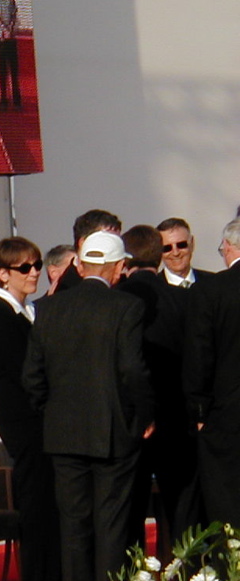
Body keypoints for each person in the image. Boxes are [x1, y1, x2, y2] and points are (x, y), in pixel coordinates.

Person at [23, 231, 154, 581]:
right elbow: (133, 369)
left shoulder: (49, 308)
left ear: (80, 266)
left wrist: (54, 414)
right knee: (112, 526)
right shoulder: (126, 306)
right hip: (114, 434)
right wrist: (144, 415)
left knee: (74, 527)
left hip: (64, 436)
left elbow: (32, 377)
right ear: (119, 268)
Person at [0, 237, 63, 581]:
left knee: (49, 508)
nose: (34, 273)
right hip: (26, 424)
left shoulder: (28, 311)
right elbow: (27, 372)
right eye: (25, 268)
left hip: (40, 423)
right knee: (38, 508)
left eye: (37, 265)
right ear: (3, 274)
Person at [116, 225, 199, 556]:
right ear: (158, 256)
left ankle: (135, 578)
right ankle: (188, 575)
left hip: (131, 421)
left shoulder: (117, 300)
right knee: (183, 508)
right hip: (177, 418)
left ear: (126, 259)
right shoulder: (182, 300)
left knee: (130, 509)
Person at [183, 218, 240, 527]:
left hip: (225, 413)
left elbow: (199, 355)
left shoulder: (211, 290)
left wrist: (199, 409)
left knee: (227, 498)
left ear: (229, 247)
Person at [156, 217, 214, 288]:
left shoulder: (214, 283)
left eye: (181, 245)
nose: (175, 253)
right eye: (167, 248)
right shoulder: (150, 290)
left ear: (192, 243)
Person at [0, 0, 20, 108]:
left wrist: (7, 30)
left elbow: (12, 15)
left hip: (6, 37)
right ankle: (6, 99)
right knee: (4, 71)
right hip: (5, 36)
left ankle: (13, 100)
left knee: (11, 70)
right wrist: (8, 30)